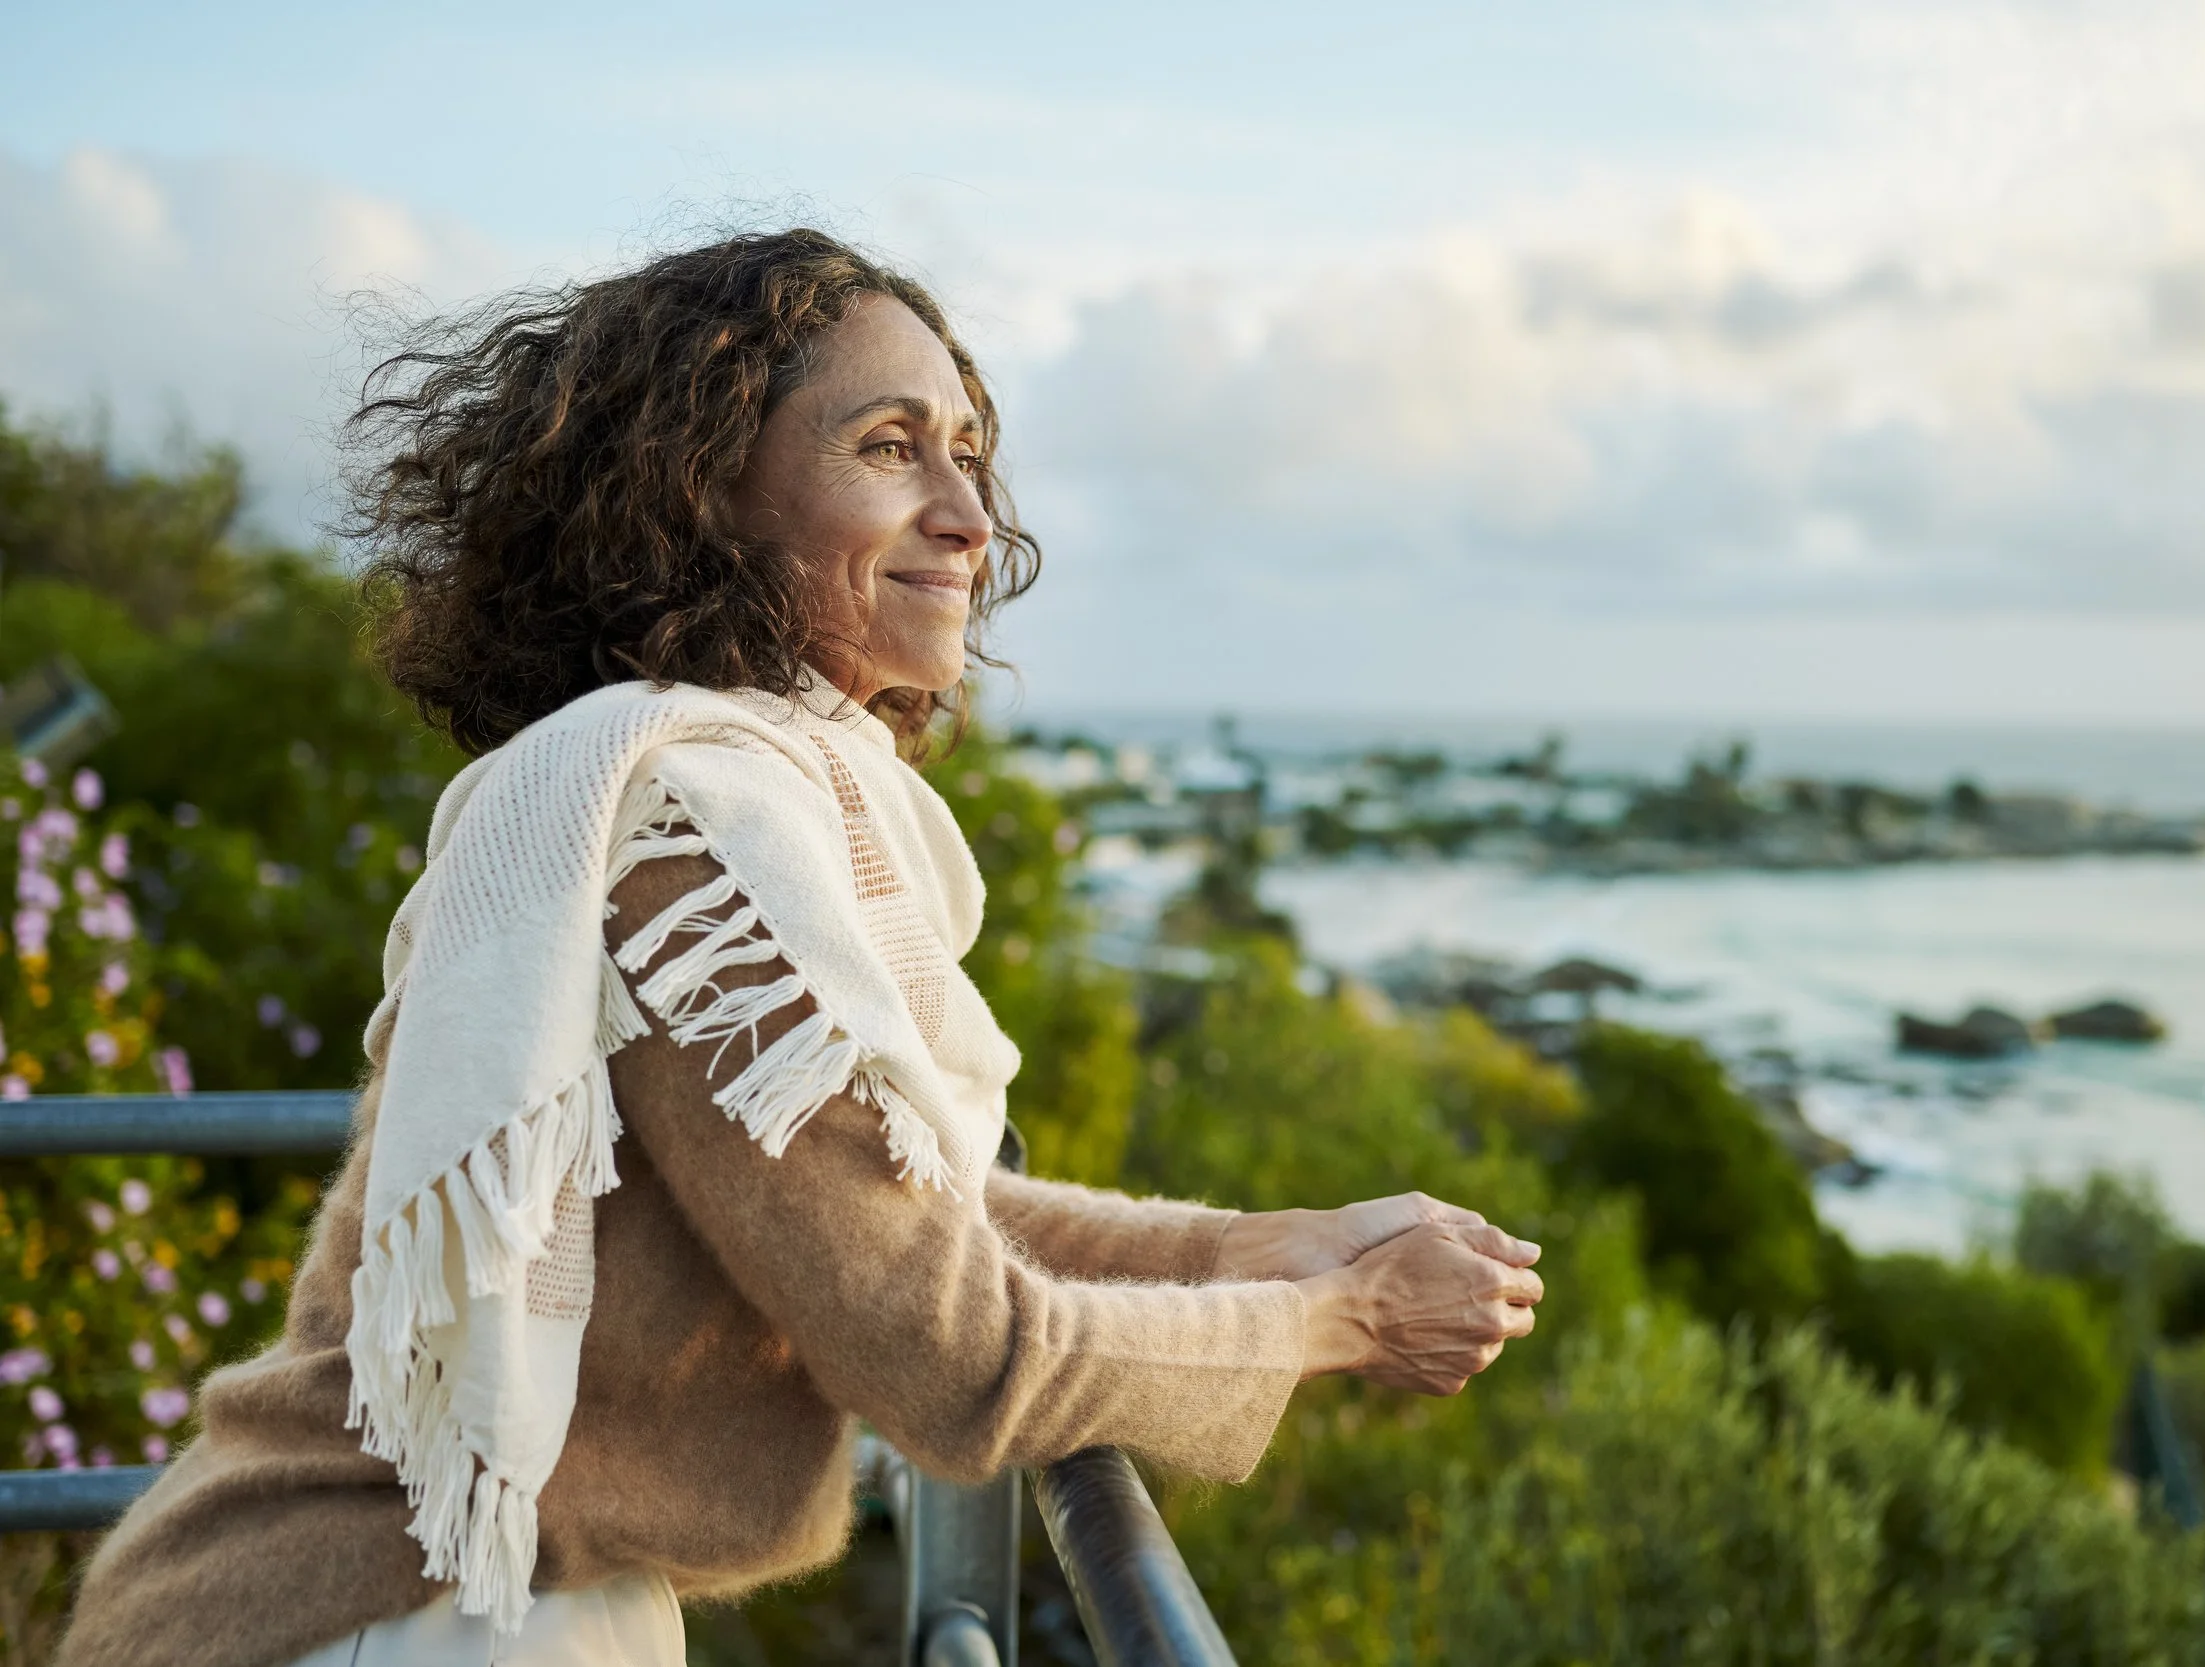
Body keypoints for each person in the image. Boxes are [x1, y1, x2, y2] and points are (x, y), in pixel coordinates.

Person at [58, 229, 1544, 1667]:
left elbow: (878, 1216)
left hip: (462, 1599)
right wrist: (1336, 1316)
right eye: (891, 447)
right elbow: (957, 1356)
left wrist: (1248, 1248)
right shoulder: (689, 832)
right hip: (395, 1618)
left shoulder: (682, 790)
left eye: (968, 451)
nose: (969, 515)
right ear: (702, 492)